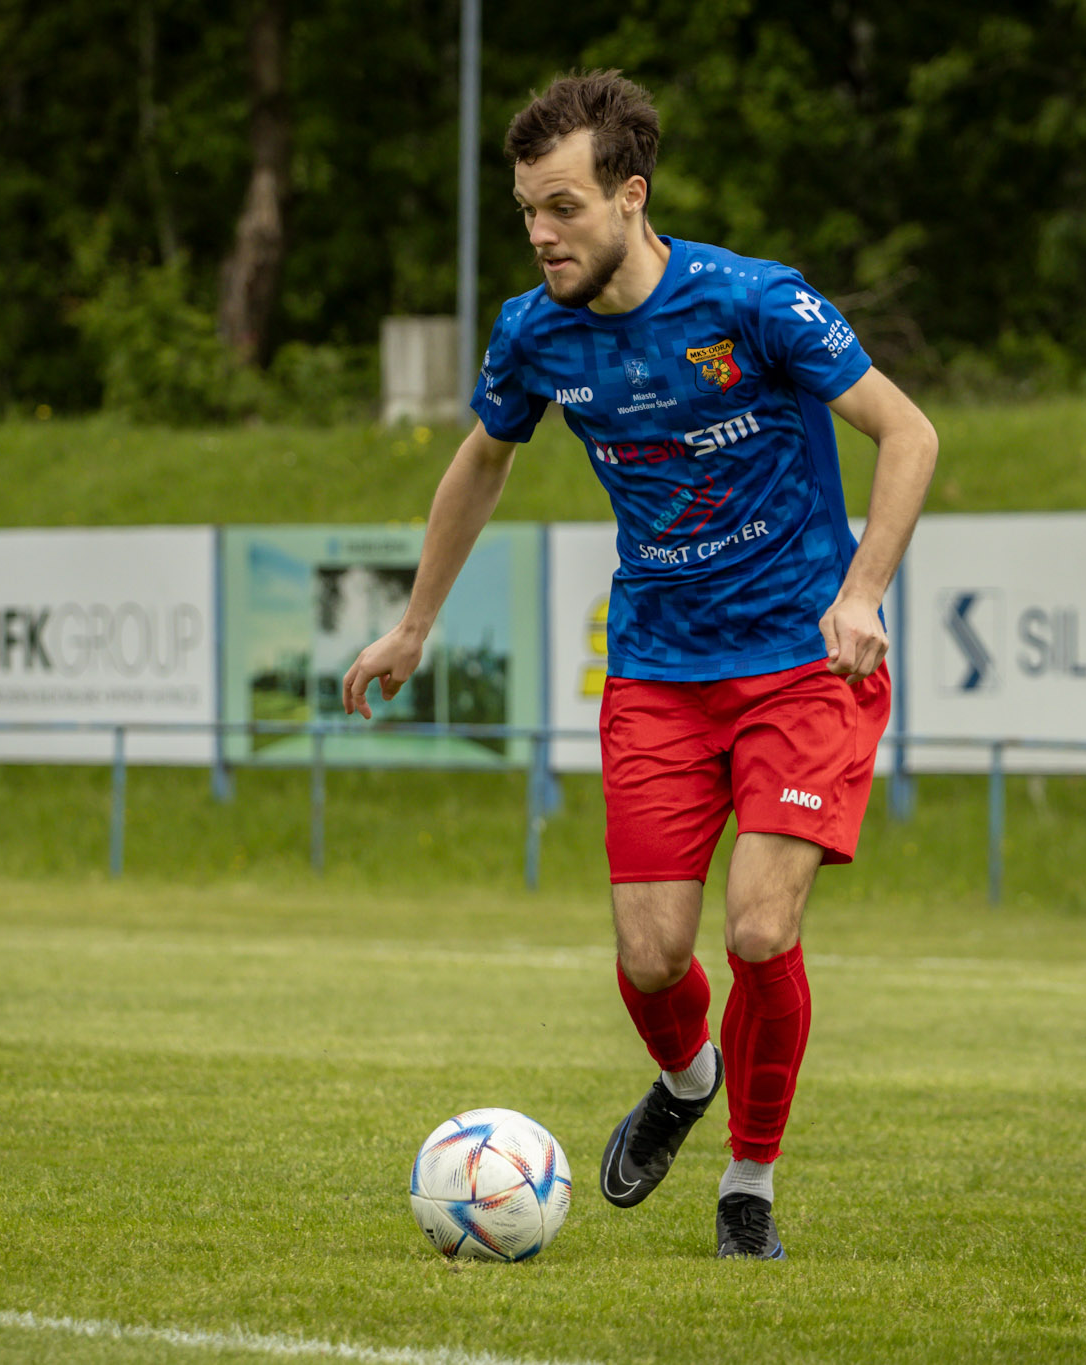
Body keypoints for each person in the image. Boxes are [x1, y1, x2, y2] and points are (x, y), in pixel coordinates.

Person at [343, 70, 938, 1260]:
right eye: (526, 210)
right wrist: (413, 624)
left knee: (758, 930)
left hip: (799, 666)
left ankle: (747, 1186)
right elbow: (480, 462)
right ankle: (684, 1080)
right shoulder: (534, 332)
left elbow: (906, 432)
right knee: (650, 955)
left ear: (630, 194)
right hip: (658, 674)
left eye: (561, 207)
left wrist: (862, 592)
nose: (540, 233)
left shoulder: (756, 303)